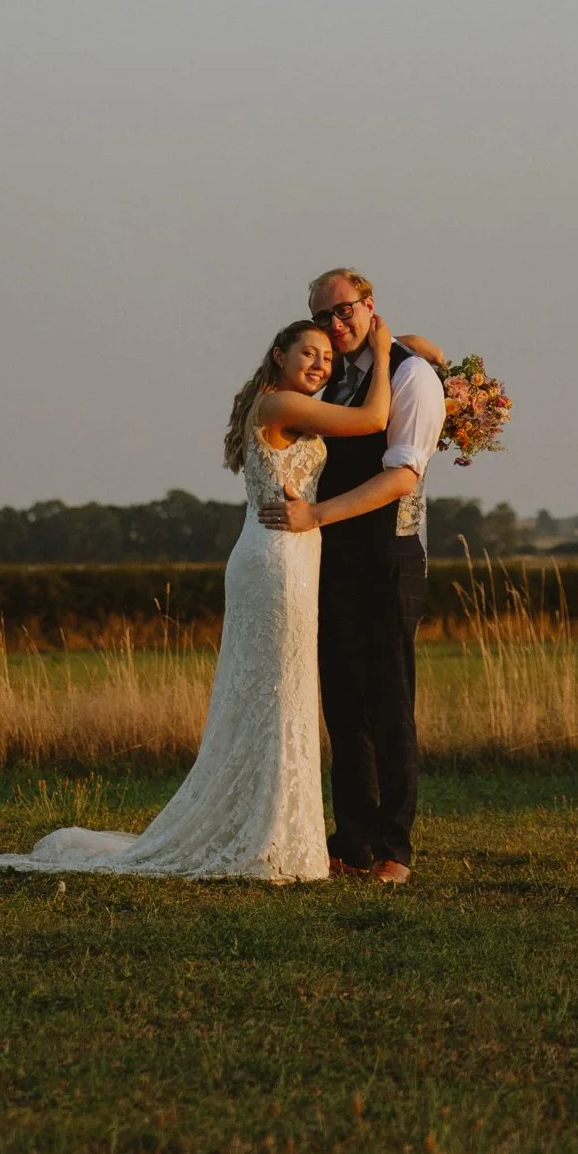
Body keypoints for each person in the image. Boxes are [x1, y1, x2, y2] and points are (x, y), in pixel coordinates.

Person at [0, 316, 416, 883]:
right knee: (276, 694)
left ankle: (275, 829)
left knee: (280, 694)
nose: (320, 364)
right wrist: (385, 354)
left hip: (291, 554)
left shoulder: (283, 402)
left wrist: (416, 348)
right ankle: (267, 833)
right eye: (308, 353)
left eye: (328, 359)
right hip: (278, 560)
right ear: (279, 356)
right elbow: (374, 419)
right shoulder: (278, 405)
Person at [257, 268, 447, 887]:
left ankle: (396, 849)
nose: (334, 326)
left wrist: (316, 514)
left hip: (387, 560)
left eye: (344, 312)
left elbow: (402, 476)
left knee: (389, 707)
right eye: (322, 315)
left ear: (370, 307)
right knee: (343, 708)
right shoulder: (330, 377)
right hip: (327, 561)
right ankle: (353, 841)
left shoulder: (411, 377)